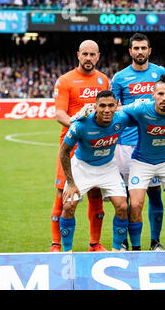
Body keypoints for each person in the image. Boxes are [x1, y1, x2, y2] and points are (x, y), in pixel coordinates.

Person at [121, 75, 165, 250]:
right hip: (142, 162)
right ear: (153, 95)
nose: (164, 98)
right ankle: (136, 248)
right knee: (136, 204)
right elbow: (119, 111)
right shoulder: (141, 108)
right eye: (160, 93)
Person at [51, 39, 110, 252]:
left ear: (98, 56)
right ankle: (56, 244)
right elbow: (59, 114)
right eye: (84, 54)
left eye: (92, 54)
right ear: (78, 55)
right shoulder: (65, 80)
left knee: (95, 194)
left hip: (95, 148)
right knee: (63, 195)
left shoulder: (103, 81)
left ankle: (95, 243)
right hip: (70, 147)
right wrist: (79, 130)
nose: (88, 58)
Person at [111, 33, 165, 251]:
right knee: (126, 197)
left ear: (149, 51)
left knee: (154, 194)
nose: (140, 52)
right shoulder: (120, 78)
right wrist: (135, 107)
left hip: (153, 143)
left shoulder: (159, 73)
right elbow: (113, 108)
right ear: (130, 52)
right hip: (125, 144)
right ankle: (124, 241)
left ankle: (155, 241)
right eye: (136, 48)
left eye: (144, 48)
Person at [59, 90, 132, 252]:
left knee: (122, 207)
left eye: (111, 106)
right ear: (95, 107)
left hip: (108, 167)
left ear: (116, 107)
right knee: (68, 207)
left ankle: (116, 251)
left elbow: (141, 112)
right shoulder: (80, 125)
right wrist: (70, 182)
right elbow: (64, 151)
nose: (107, 110)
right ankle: (66, 252)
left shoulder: (122, 119)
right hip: (82, 167)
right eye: (103, 106)